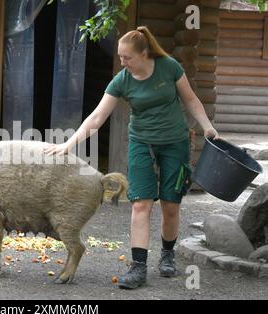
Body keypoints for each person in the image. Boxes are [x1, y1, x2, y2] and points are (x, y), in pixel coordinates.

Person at [44, 26, 219, 289]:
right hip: (141, 144)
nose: (122, 62)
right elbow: (97, 117)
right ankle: (138, 267)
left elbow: (192, 100)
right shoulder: (122, 80)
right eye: (120, 57)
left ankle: (167, 254)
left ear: (144, 53)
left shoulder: (168, 67)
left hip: (175, 143)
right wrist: (69, 144)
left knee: (170, 205)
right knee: (140, 204)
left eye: (127, 57)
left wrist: (207, 125)